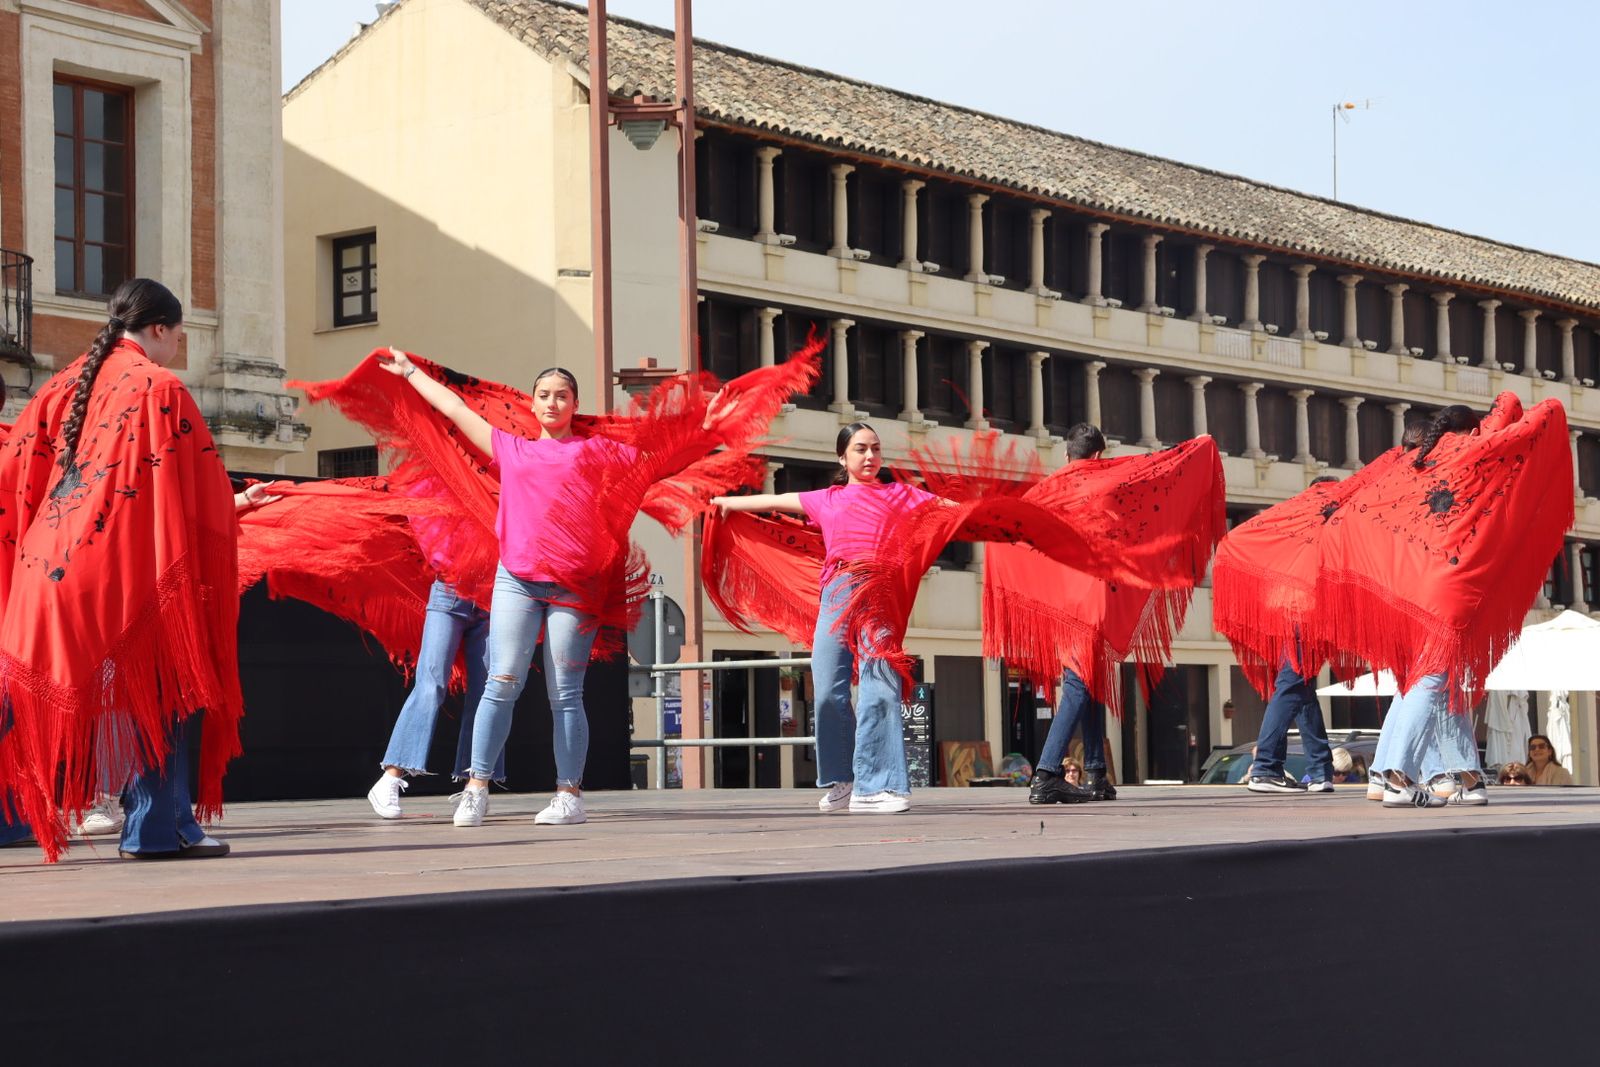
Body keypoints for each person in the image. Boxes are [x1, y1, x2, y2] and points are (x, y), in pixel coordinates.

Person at [376, 348, 749, 828]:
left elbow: (658, 462)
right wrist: (411, 373)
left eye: (562, 396)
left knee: (565, 693)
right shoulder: (513, 448)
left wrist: (708, 429)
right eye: (544, 396)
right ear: (532, 404)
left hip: (574, 586)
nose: (552, 403)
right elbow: (455, 410)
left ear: (574, 404)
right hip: (517, 579)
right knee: (501, 683)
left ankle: (569, 795)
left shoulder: (597, 452)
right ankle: (476, 787)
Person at [0, 278, 256, 860]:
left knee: (12, 697)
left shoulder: (62, 385)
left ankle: (167, 826)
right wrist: (236, 506)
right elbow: (195, 487)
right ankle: (154, 831)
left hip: (44, 568)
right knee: (160, 686)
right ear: (160, 329)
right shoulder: (158, 387)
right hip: (114, 572)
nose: (180, 344)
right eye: (179, 332)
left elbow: (18, 471)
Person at [711, 423, 938, 814]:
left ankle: (876, 786)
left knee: (878, 683)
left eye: (876, 449)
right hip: (835, 593)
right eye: (861, 449)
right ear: (843, 457)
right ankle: (844, 780)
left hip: (876, 591)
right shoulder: (828, 498)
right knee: (829, 689)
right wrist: (729, 504)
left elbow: (950, 511)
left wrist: (991, 511)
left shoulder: (900, 495)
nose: (870, 457)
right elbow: (777, 500)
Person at [1029, 423, 1116, 805]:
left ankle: (1097, 772)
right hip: (1091, 599)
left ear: (1067, 456)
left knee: (1090, 684)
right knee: (1080, 685)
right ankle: (1046, 773)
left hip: (1058, 600)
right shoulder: (1106, 489)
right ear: (1099, 456)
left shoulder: (1048, 492)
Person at [365, 576, 498, 819]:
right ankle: (390, 777)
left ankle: (476, 788)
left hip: (495, 595)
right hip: (450, 588)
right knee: (431, 685)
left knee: (487, 695)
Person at [1246, 477, 1342, 796]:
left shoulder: (1295, 525)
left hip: (1291, 610)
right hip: (1305, 611)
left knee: (1302, 689)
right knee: (1292, 684)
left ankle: (1319, 770)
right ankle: (1266, 768)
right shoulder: (1326, 525)